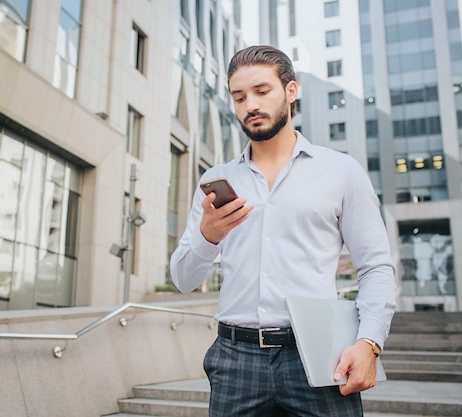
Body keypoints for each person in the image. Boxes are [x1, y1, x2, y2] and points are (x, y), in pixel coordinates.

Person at [170, 45, 396, 416]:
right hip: (235, 359)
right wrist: (207, 235)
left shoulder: (341, 171)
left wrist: (368, 342)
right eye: (239, 96)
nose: (249, 105)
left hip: (320, 353)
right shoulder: (216, 180)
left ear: (291, 91)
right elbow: (183, 279)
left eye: (262, 91)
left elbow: (376, 267)